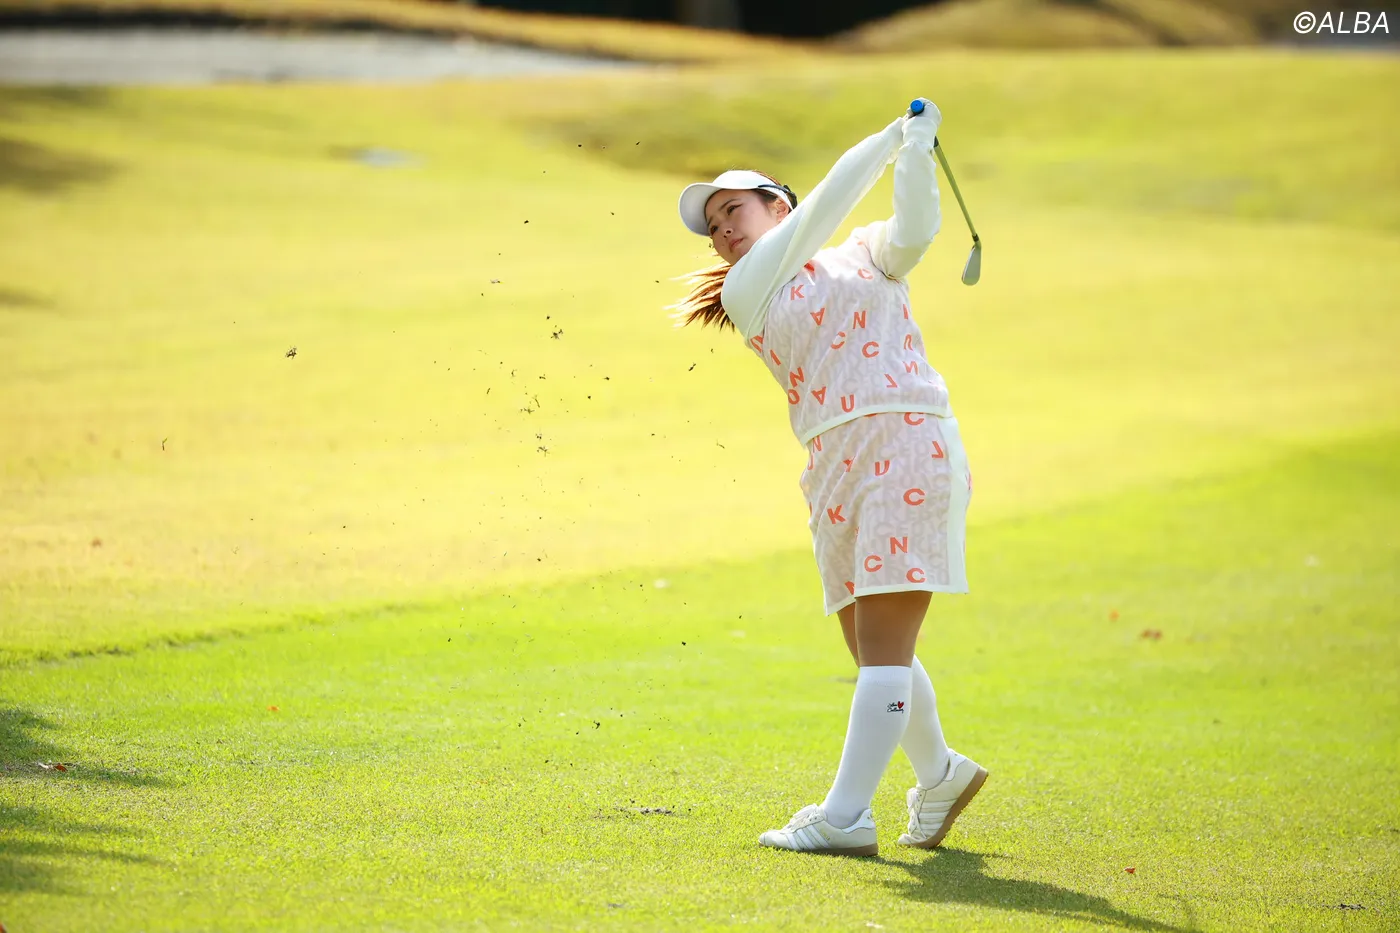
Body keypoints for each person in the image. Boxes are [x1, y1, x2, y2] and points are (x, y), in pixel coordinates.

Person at [671, 99, 987, 856]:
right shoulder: (749, 289)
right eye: (713, 225)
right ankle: (940, 773)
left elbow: (916, 230)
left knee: (882, 647)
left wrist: (915, 151)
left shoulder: (865, 251)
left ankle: (845, 817)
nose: (722, 230)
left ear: (775, 204)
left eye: (733, 210)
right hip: (832, 466)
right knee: (873, 646)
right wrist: (889, 138)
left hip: (907, 439)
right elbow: (827, 204)